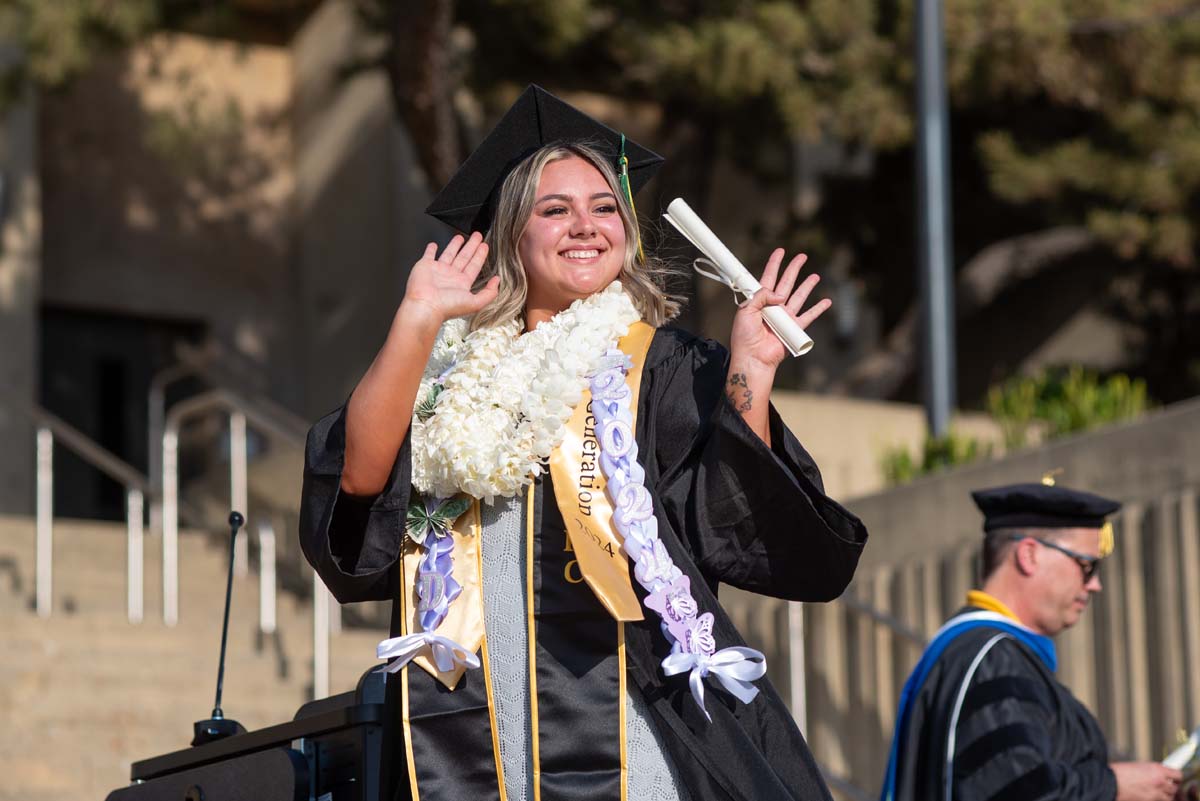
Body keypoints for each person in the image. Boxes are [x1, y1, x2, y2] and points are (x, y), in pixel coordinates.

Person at [298, 84, 869, 801]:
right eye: (555, 210)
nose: (586, 226)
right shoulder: (450, 377)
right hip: (470, 743)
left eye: (605, 208)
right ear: (511, 233)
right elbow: (359, 481)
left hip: (631, 736)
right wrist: (416, 319)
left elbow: (737, 518)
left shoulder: (665, 368)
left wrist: (749, 371)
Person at [879, 478, 1185, 801]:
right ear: (1029, 555)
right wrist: (1114, 786)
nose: (1095, 584)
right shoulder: (993, 661)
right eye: (1087, 566)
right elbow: (1017, 792)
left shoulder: (972, 652)